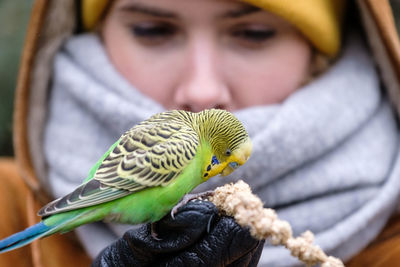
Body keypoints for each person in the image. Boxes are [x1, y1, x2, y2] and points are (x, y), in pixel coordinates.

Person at [1, 0, 400, 266]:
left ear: (322, 56)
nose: (201, 90)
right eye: (151, 28)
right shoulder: (185, 144)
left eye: (254, 33)